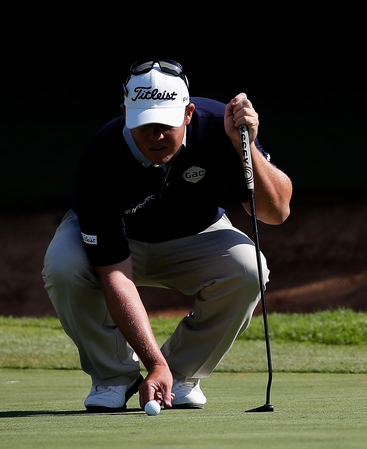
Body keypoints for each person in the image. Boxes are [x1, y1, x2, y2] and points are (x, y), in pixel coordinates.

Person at [41, 59, 292, 412]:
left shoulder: (219, 127)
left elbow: (276, 212)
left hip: (196, 235)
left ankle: (180, 374)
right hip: (121, 244)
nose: (156, 135)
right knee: (63, 264)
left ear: (188, 113)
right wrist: (151, 360)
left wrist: (244, 145)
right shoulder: (101, 154)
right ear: (125, 113)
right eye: (144, 124)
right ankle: (114, 377)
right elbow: (115, 274)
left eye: (166, 124)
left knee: (249, 266)